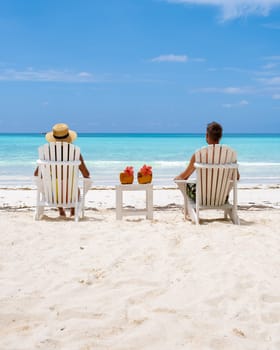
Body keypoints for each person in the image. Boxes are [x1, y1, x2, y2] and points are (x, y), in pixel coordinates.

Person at [34, 123, 91, 217]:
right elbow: (86, 174)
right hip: (71, 195)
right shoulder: (75, 153)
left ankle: (61, 210)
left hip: (52, 195)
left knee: (55, 183)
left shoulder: (47, 154)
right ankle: (73, 211)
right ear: (69, 138)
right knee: (74, 187)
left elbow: (37, 174)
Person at [174, 121, 240, 200]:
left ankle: (189, 207)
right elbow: (236, 177)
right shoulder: (230, 155)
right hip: (222, 198)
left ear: (207, 135)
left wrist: (178, 178)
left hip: (201, 198)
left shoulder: (199, 155)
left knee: (178, 180)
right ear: (220, 136)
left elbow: (183, 176)